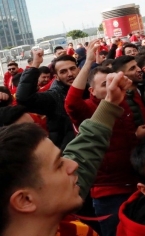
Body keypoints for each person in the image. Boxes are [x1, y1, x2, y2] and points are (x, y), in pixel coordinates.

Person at [0, 71, 129, 236]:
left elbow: (83, 151)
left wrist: (110, 105)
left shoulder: (50, 204)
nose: (74, 164)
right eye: (59, 165)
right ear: (25, 200)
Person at [64, 42, 144, 236]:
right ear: (91, 92)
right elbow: (71, 102)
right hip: (109, 192)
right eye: (104, 85)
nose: (111, 87)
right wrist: (89, 61)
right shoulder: (88, 109)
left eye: (112, 81)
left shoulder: (123, 101)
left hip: (134, 182)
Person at [16, 51, 80, 149]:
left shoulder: (91, 90)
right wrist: (35, 65)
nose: (70, 74)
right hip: (69, 151)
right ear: (56, 77)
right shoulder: (54, 96)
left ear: (79, 69)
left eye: (72, 69)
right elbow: (24, 98)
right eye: (63, 71)